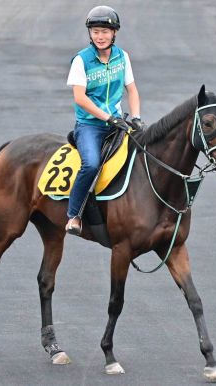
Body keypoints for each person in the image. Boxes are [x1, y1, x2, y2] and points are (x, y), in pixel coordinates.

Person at [65, 5, 143, 235]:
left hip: (118, 122)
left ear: (114, 33)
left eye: (105, 31)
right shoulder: (81, 60)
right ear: (90, 33)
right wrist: (108, 117)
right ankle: (74, 215)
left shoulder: (122, 56)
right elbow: (80, 98)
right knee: (90, 164)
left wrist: (136, 117)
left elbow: (132, 89)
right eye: (96, 31)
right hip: (90, 125)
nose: (100, 36)